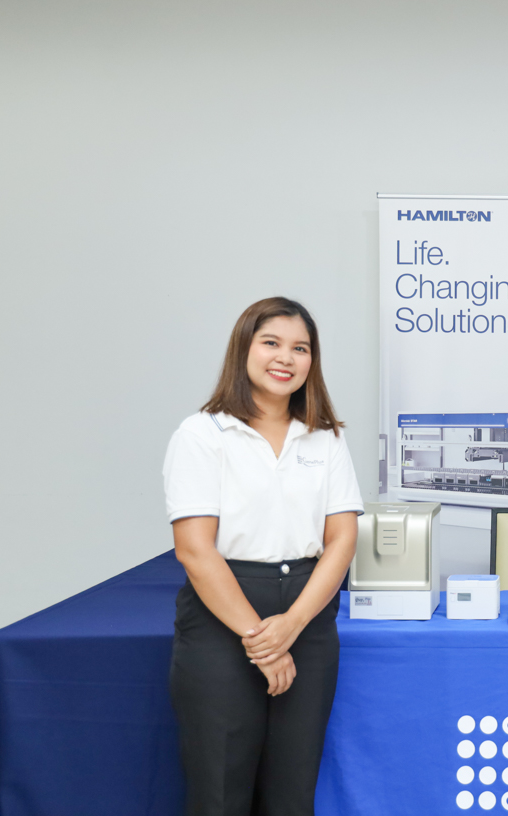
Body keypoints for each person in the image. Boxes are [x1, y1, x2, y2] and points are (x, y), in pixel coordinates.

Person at [162, 297, 364, 815]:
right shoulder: (202, 434)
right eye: (271, 342)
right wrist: (264, 643)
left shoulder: (325, 436)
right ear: (244, 348)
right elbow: (194, 550)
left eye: (301, 348)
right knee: (219, 791)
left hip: (307, 615)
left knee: (293, 791)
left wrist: (292, 625)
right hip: (223, 614)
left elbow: (342, 540)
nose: (286, 358)